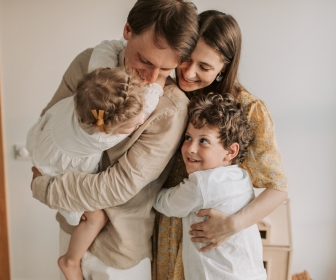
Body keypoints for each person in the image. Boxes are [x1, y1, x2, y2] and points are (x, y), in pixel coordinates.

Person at [30, 0, 199, 279]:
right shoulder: (87, 63)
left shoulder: (171, 108)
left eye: (166, 70)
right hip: (71, 227)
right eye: (144, 60)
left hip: (119, 252)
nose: (151, 78)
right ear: (128, 30)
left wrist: (45, 188)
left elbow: (120, 185)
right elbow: (51, 122)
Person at [152, 10, 288, 279]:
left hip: (215, 244)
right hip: (166, 234)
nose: (189, 73)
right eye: (186, 60)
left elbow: (278, 189)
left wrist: (232, 224)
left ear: (223, 67)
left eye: (203, 66)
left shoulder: (249, 111)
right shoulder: (165, 93)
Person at [27, 67, 165, 280]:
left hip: (42, 144)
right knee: (95, 216)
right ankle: (70, 261)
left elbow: (104, 52)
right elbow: (148, 107)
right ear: (108, 129)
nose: (140, 122)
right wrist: (160, 80)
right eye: (132, 126)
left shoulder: (86, 96)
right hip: (54, 168)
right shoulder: (101, 136)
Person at [154, 93, 267, 280]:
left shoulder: (202, 184)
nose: (190, 148)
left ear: (231, 151)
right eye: (188, 137)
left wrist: (147, 188)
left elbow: (166, 203)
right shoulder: (241, 176)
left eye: (203, 141)